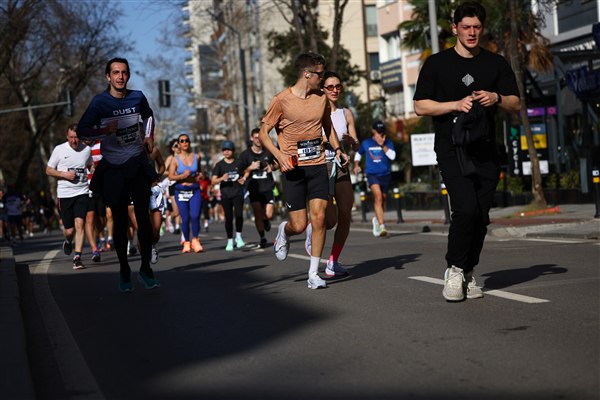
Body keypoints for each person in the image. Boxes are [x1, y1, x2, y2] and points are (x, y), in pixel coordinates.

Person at [413, 1, 520, 302]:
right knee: (466, 209)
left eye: (477, 27)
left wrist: (496, 97)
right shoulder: (437, 64)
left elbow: (515, 102)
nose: (472, 32)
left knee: (481, 216)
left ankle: (469, 270)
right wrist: (455, 105)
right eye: (466, 27)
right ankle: (455, 269)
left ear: (482, 29)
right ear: (455, 29)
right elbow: (420, 105)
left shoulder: (495, 64)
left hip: (485, 150)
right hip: (452, 149)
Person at [258, 52, 347, 290]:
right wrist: (279, 156)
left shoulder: (321, 98)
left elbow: (328, 127)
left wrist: (338, 149)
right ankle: (284, 232)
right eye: (320, 74)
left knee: (319, 218)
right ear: (307, 74)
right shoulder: (281, 100)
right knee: (298, 225)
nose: (323, 78)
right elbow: (263, 134)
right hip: (293, 169)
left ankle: (313, 273)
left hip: (317, 165)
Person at [77, 57, 160, 292]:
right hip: (113, 167)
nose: (120, 77)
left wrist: (148, 136)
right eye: (115, 73)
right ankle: (124, 269)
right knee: (120, 220)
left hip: (136, 162)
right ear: (108, 77)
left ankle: (145, 268)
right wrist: (104, 130)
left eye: (124, 72)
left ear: (128, 75)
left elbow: (149, 116)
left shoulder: (137, 97)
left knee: (143, 218)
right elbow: (83, 130)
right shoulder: (100, 102)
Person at [305, 71, 360, 277]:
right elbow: (306, 139)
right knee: (329, 221)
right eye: (330, 87)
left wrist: (352, 141)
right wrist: (327, 140)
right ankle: (312, 227)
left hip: (340, 164)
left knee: (346, 213)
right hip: (321, 165)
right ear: (323, 89)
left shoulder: (346, 113)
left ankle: (333, 261)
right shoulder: (314, 112)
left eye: (338, 86)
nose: (335, 90)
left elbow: (356, 143)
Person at [46, 124, 93, 269]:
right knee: (69, 231)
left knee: (80, 224)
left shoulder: (86, 150)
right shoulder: (59, 150)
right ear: (67, 137)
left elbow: (90, 165)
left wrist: (94, 169)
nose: (74, 141)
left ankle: (77, 257)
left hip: (82, 192)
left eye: (77, 137)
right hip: (65, 194)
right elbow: (48, 170)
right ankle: (68, 241)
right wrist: (63, 174)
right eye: (71, 137)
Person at [353, 120, 396, 237]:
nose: (379, 134)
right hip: (372, 174)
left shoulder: (388, 142)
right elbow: (358, 154)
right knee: (378, 196)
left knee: (383, 199)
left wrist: (382, 145)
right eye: (377, 131)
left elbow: (392, 156)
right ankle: (382, 226)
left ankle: (377, 219)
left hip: (385, 174)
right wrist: (356, 165)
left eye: (381, 132)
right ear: (373, 131)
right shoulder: (366, 143)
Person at [239, 128, 278, 249]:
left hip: (267, 186)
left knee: (269, 214)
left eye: (260, 137)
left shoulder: (268, 151)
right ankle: (262, 237)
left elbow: (278, 163)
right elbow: (239, 171)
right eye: (256, 137)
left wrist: (272, 167)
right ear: (252, 138)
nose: (258, 140)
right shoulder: (245, 155)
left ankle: (266, 220)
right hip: (253, 187)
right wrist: (250, 168)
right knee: (257, 212)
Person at [168, 133, 203, 253]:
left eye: (186, 140)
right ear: (178, 144)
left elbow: (200, 171)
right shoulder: (175, 159)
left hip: (194, 190)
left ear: (189, 142)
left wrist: (199, 175)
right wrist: (182, 176)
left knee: (195, 215)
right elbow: (171, 176)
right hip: (181, 191)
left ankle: (196, 240)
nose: (184, 143)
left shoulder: (197, 157)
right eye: (181, 141)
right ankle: (187, 242)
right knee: (185, 218)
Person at [211, 140, 247, 251]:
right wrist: (222, 178)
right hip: (226, 194)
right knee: (229, 217)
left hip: (238, 193)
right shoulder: (219, 165)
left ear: (233, 151)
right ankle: (230, 240)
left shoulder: (239, 163)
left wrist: (244, 178)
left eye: (229, 150)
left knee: (239, 215)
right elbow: (213, 181)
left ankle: (239, 237)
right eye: (224, 150)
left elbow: (247, 170)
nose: (226, 152)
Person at [164, 139, 181, 234]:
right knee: (176, 210)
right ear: (172, 148)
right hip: (173, 185)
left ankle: (177, 227)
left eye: (179, 145)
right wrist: (173, 173)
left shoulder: (183, 157)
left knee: (181, 208)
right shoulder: (170, 158)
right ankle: (169, 218)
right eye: (176, 146)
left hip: (182, 184)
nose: (178, 147)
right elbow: (163, 171)